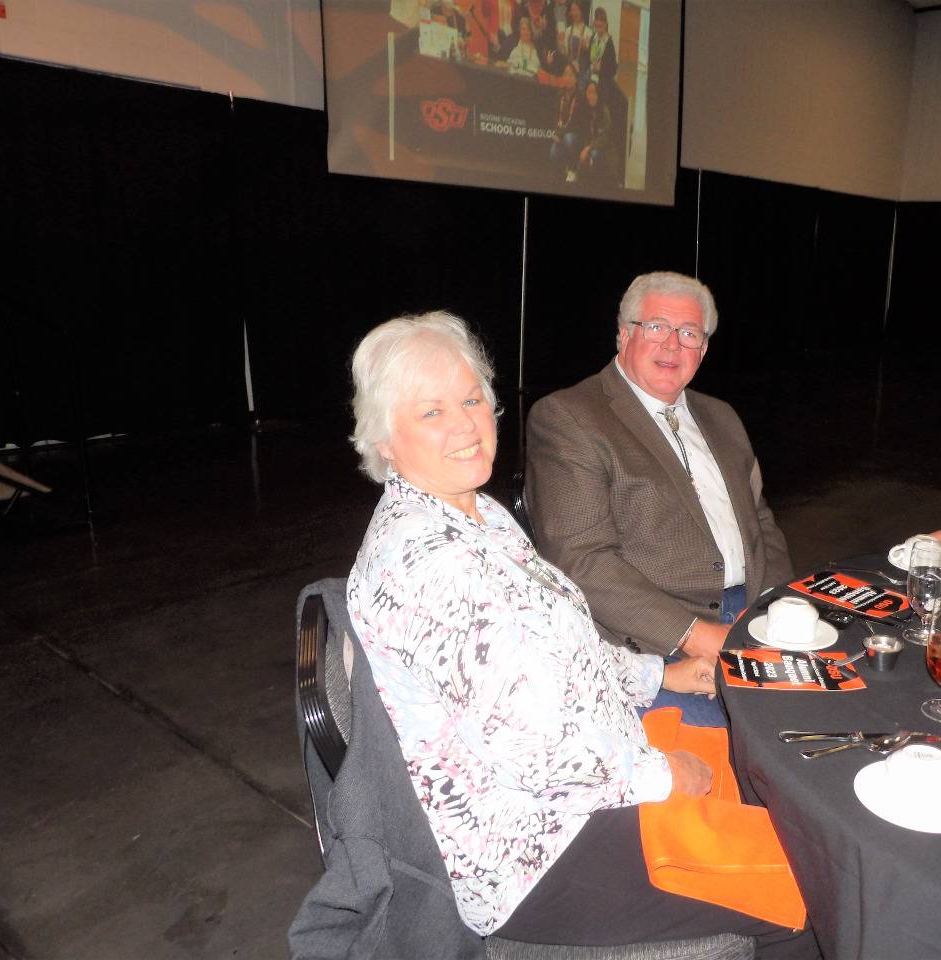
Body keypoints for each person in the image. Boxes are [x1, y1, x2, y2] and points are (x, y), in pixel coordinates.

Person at [345, 311, 818, 958]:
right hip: (540, 848)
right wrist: (662, 775)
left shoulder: (475, 512)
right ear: (385, 441)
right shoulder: (432, 564)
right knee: (811, 887)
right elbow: (538, 755)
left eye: (472, 397)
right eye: (431, 413)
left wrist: (660, 675)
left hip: (587, 775)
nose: (465, 424)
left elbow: (560, 646)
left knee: (773, 798)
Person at [526, 273, 792, 721]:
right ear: (624, 333)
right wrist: (693, 634)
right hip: (653, 636)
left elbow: (761, 521)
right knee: (738, 752)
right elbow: (581, 560)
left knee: (835, 710)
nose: (672, 346)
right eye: (656, 327)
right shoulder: (570, 417)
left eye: (689, 333)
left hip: (750, 615)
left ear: (703, 349)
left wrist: (774, 605)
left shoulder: (721, 416)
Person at [549, 63, 581, 180]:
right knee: (553, 153)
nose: (568, 78)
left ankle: (574, 168)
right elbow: (556, 117)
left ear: (576, 78)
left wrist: (560, 135)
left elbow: (577, 124)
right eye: (565, 75)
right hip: (562, 132)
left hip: (575, 136)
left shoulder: (580, 97)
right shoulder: (560, 95)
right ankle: (564, 167)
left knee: (569, 139)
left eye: (571, 75)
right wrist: (555, 133)